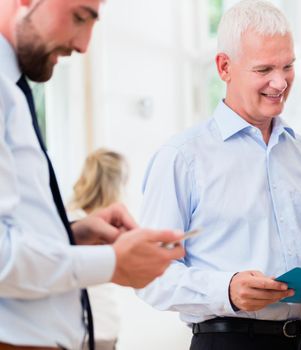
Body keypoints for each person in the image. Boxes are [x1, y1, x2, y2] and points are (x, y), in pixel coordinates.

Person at [138, 1, 301, 349]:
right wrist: (227, 289)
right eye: (264, 68)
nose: (280, 82)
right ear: (224, 67)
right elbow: (149, 275)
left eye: (288, 66)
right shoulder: (182, 158)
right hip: (228, 341)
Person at [0, 1, 185, 349]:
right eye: (79, 17)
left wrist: (70, 235)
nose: (84, 45)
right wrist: (112, 263)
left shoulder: (13, 89)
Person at [68, 149, 129, 350]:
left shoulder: (70, 219)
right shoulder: (76, 226)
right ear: (116, 185)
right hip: (89, 332)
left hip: (98, 330)